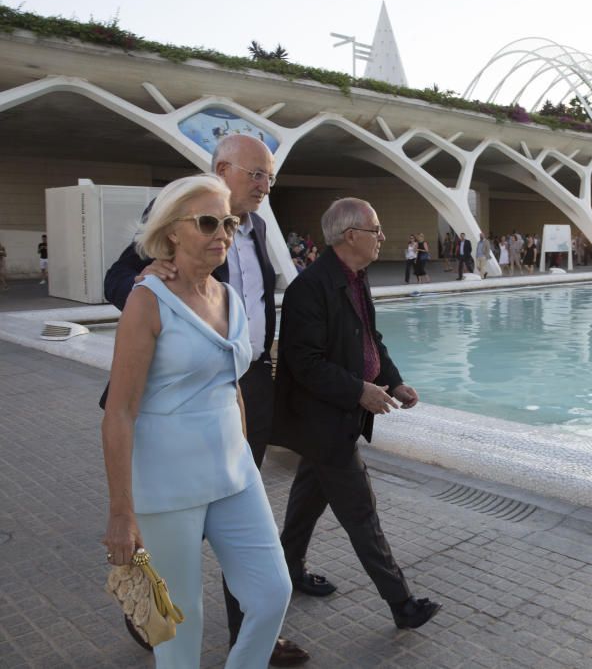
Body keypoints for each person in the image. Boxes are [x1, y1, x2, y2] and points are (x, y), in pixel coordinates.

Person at [103, 134, 316, 667]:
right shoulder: (147, 300)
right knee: (182, 624)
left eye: (227, 224)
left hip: (232, 470)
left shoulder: (230, 297)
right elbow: (120, 412)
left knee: (272, 593)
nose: (222, 233)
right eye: (206, 224)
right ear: (170, 231)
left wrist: (243, 450)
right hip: (168, 481)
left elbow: (231, 380)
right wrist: (121, 512)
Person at [273, 198, 442, 631]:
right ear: (351, 236)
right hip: (325, 421)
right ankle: (402, 603)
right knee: (362, 515)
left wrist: (394, 380)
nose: (383, 237)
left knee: (306, 504)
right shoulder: (309, 289)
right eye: (376, 229)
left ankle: (286, 571)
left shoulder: (355, 278)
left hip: (336, 420)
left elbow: (370, 341)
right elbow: (304, 363)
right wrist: (359, 391)